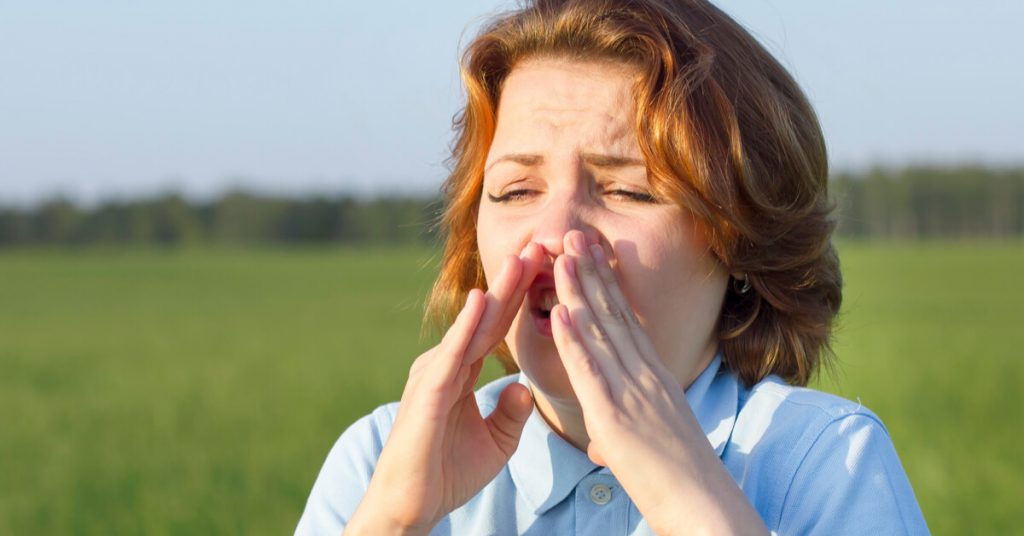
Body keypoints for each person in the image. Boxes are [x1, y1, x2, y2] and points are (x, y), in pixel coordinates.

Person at [297, 0, 929, 534]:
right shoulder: (380, 459)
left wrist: (692, 502)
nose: (554, 235)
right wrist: (388, 522)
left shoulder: (822, 462)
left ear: (741, 241)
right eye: (517, 190)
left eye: (628, 191)